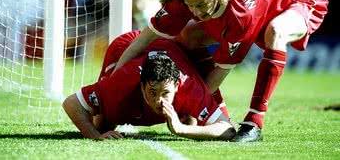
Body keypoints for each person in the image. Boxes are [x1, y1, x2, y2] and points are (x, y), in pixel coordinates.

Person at [111, 0, 329, 142]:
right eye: (190, 6)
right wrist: (115, 82)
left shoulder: (240, 15)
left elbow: (220, 72)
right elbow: (144, 39)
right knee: (189, 36)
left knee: (276, 31)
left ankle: (254, 123)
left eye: (200, 5)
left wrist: (187, 108)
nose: (195, 11)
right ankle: (215, 106)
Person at [62, 31, 235, 140]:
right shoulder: (121, 84)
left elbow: (227, 130)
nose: (159, 100)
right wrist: (96, 136)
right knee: (103, 124)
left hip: (175, 48)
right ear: (142, 86)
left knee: (195, 122)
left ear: (177, 86)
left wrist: (182, 129)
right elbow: (71, 104)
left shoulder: (190, 88)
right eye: (152, 92)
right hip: (128, 45)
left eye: (165, 93)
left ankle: (185, 113)